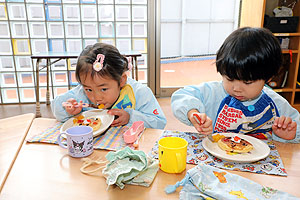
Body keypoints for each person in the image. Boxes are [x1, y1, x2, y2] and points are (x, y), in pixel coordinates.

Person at [171, 27, 300, 143]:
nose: (236, 89)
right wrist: (193, 112)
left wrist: (287, 136)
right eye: (230, 79)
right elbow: (181, 96)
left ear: (268, 78)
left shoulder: (276, 103)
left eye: (247, 82)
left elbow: (297, 128)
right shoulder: (212, 92)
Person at [51, 43, 167, 129]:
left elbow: (159, 123)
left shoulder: (139, 93)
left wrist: (130, 117)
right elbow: (58, 112)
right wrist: (68, 109)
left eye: (103, 89)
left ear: (121, 81)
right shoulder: (81, 94)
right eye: (89, 89)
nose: (96, 97)